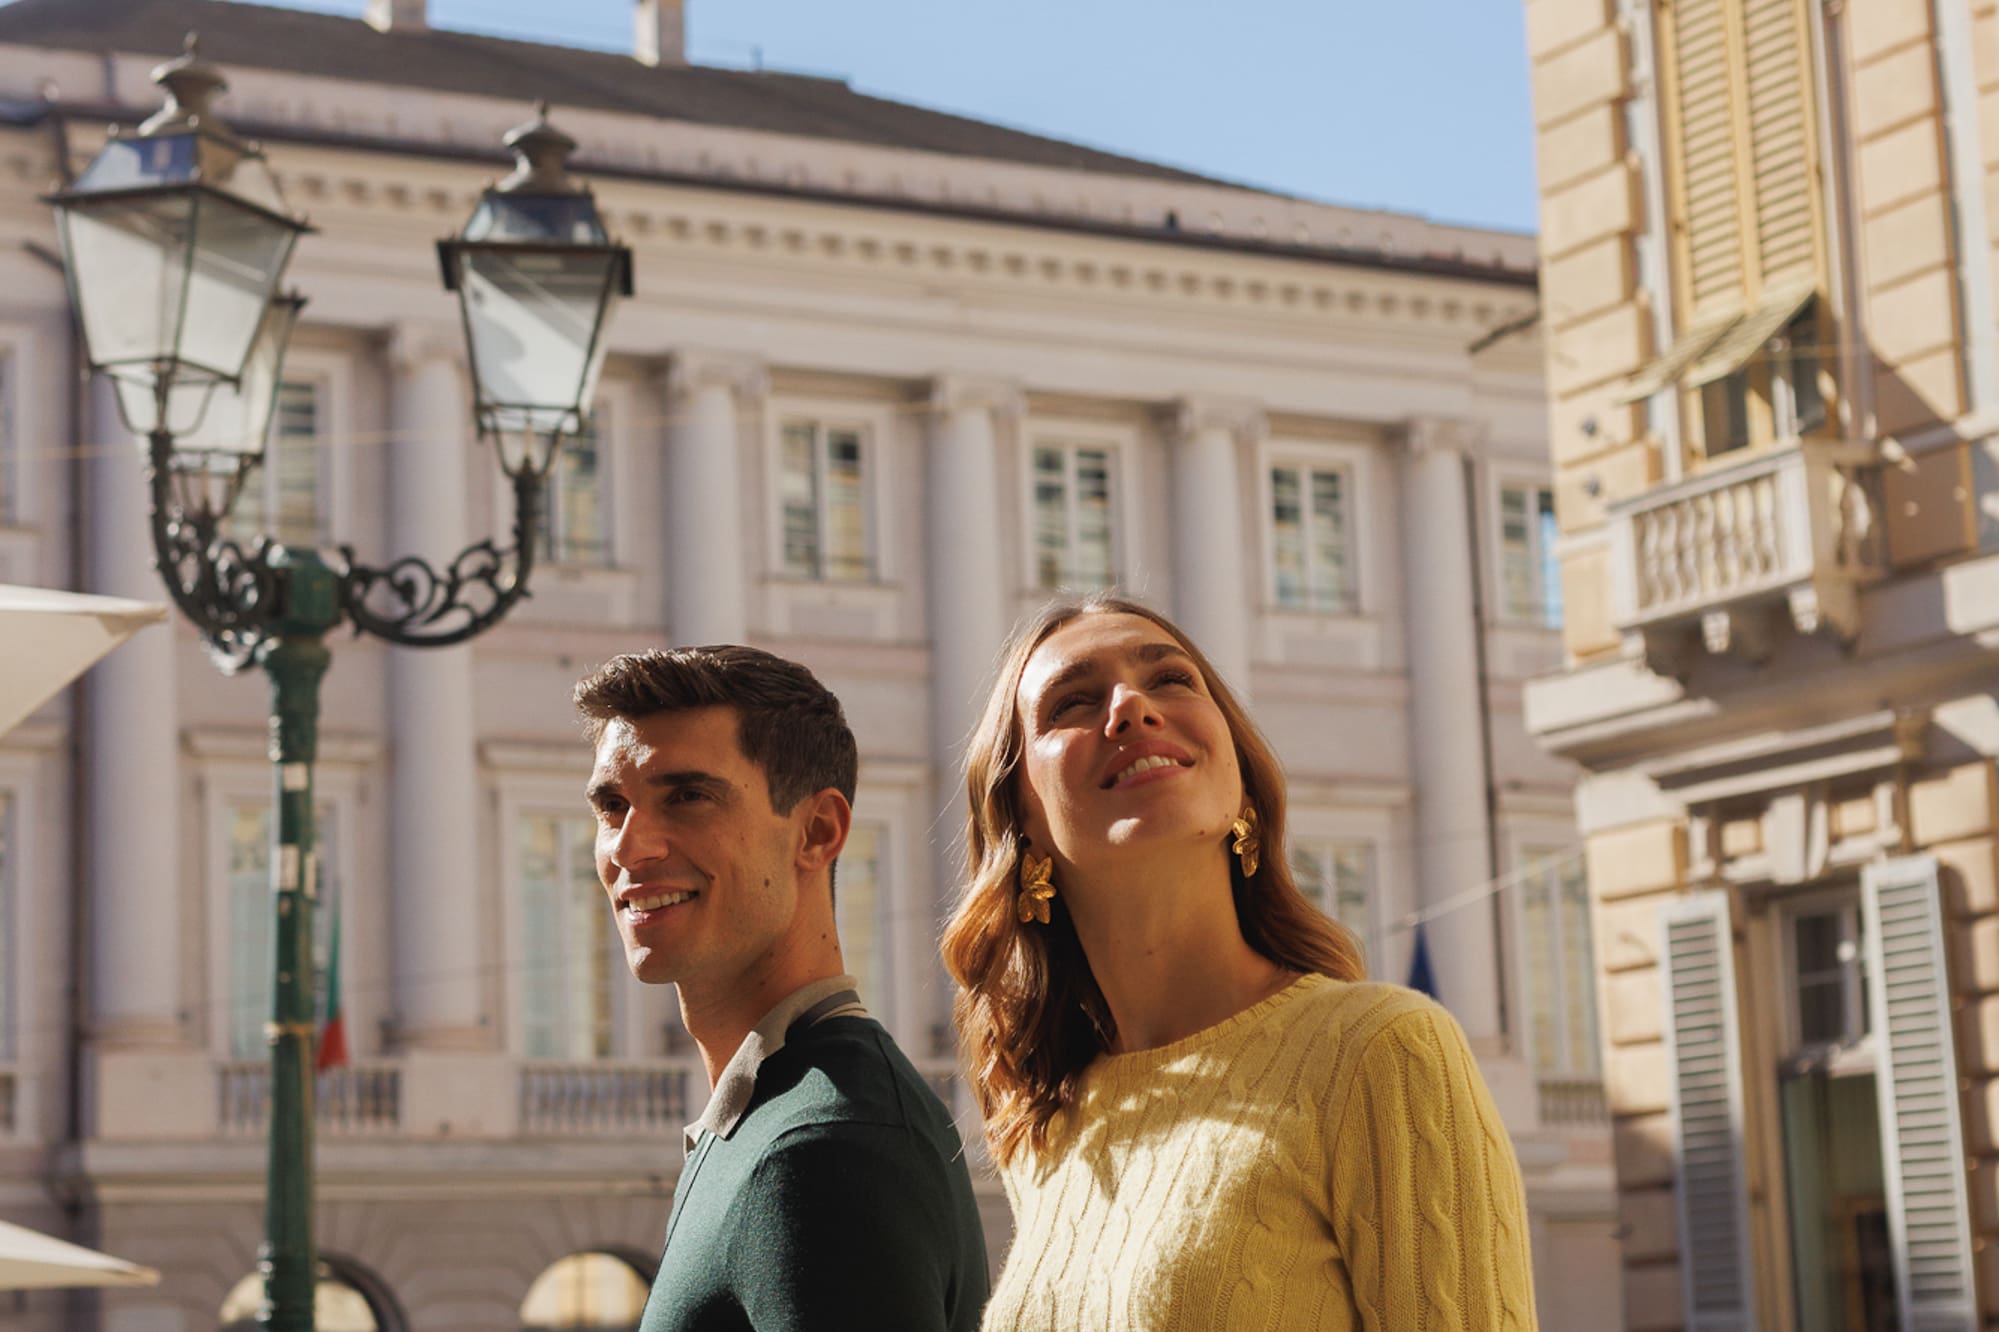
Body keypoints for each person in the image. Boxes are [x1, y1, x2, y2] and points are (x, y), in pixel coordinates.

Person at [942, 596, 1536, 1330]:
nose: (1130, 707)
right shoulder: (1048, 1115)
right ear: (1021, 820)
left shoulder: (1381, 1051)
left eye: (1170, 679)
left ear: (1242, 785)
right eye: (1073, 701)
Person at [576, 646, 990, 1332]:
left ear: (818, 831)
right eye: (612, 806)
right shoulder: (770, 1115)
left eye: (687, 797)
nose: (628, 846)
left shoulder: (822, 1148)